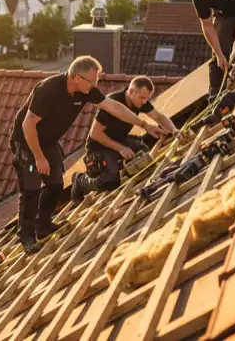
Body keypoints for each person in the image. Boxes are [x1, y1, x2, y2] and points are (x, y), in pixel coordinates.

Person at [9, 56, 157, 255]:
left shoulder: (86, 90)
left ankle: (43, 225)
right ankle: (26, 236)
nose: (96, 85)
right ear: (77, 78)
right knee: (31, 188)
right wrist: (39, 157)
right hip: (26, 142)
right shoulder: (48, 90)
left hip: (48, 142)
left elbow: (114, 107)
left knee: (55, 183)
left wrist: (144, 124)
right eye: (92, 80)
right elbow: (28, 124)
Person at [70, 76, 178, 203]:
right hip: (99, 146)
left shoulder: (138, 101)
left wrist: (174, 130)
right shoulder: (111, 102)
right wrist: (120, 148)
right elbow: (95, 134)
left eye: (147, 99)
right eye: (142, 98)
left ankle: (123, 169)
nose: (144, 102)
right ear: (131, 92)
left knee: (143, 152)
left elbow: (158, 116)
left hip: (119, 139)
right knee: (111, 181)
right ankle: (79, 181)